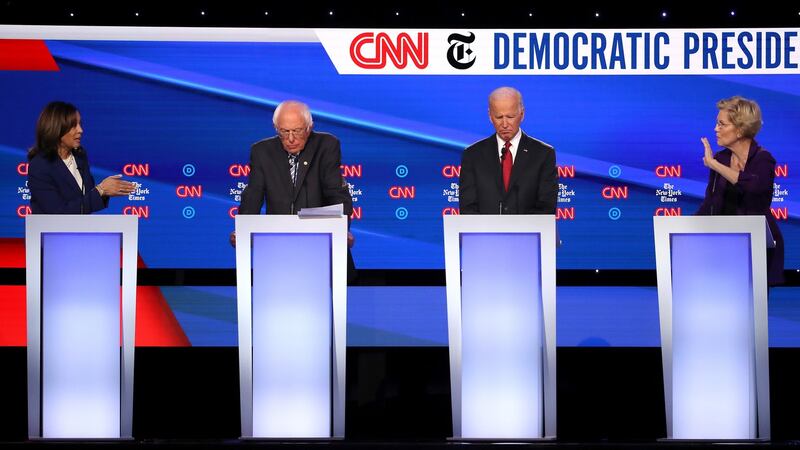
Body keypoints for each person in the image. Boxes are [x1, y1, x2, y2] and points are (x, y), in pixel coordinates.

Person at [230, 100, 354, 263]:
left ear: (309, 127)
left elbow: (337, 193)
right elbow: (253, 196)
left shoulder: (326, 145)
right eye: (284, 131)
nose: (290, 139)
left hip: (321, 245)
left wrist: (341, 229)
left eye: (297, 131)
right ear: (276, 128)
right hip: (277, 246)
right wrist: (243, 229)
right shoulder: (261, 151)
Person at [697, 95, 784, 285]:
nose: (715, 129)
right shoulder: (720, 158)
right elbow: (710, 203)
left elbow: (754, 187)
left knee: (753, 311)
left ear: (740, 130)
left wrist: (713, 165)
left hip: (758, 247)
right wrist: (683, 230)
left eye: (721, 124)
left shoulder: (763, 159)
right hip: (722, 247)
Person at [459, 87, 558, 215]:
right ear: (490, 116)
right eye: (499, 117)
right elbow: (468, 208)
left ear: (522, 114)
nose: (505, 124)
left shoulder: (543, 154)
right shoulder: (473, 155)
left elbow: (546, 207)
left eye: (510, 117)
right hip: (485, 233)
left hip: (529, 233)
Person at [27, 101, 136, 214]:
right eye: (74, 125)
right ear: (57, 128)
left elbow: (86, 202)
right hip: (51, 231)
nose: (80, 130)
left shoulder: (80, 157)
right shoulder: (40, 165)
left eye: (80, 124)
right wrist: (101, 190)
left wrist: (104, 191)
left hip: (82, 230)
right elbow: (59, 213)